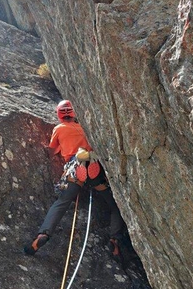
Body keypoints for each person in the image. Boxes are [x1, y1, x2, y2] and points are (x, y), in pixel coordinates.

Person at [24, 100, 125, 256]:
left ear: (59, 114)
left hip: (75, 167)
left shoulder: (59, 129)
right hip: (93, 167)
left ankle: (44, 234)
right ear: (74, 113)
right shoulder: (84, 129)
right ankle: (115, 240)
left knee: (62, 202)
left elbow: (51, 151)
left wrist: (59, 148)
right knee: (114, 206)